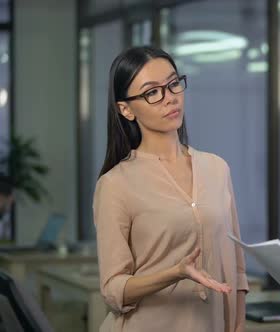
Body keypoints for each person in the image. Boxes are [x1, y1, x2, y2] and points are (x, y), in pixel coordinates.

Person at [94, 46, 248, 332]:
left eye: (173, 84)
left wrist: (238, 326)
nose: (170, 98)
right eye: (152, 92)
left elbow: (236, 270)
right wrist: (175, 273)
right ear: (125, 109)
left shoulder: (217, 169)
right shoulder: (115, 184)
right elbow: (113, 290)